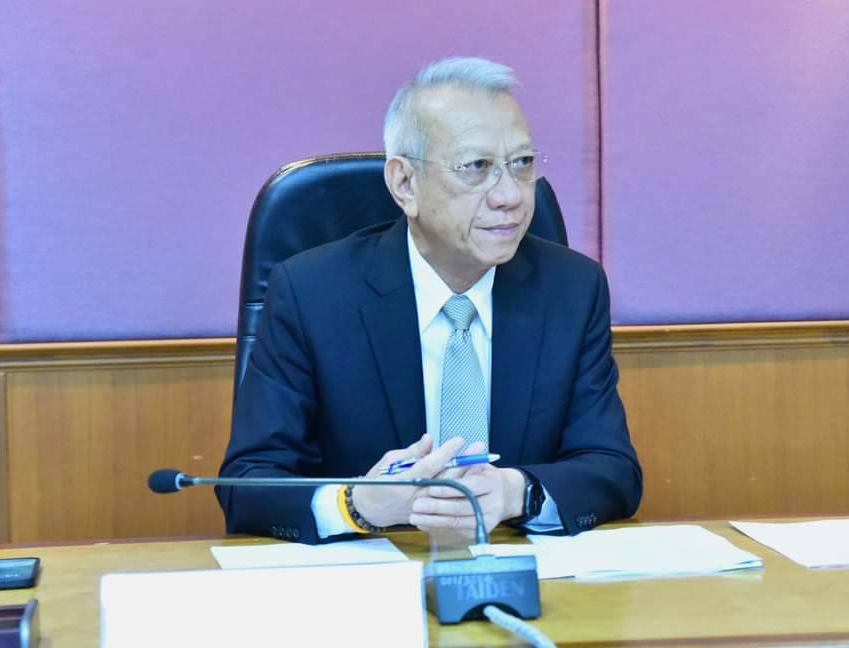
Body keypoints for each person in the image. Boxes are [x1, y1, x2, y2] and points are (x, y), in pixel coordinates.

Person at [217, 56, 642, 544]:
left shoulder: (572, 288)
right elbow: (247, 482)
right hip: (368, 573)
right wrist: (357, 503)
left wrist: (516, 492)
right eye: (477, 167)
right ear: (405, 183)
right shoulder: (311, 294)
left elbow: (612, 469)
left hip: (522, 568)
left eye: (522, 164)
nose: (509, 195)